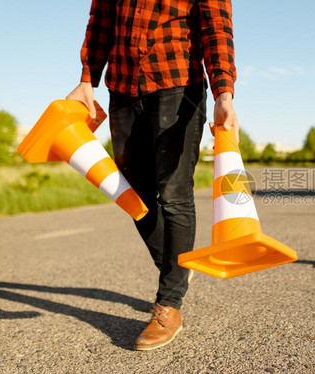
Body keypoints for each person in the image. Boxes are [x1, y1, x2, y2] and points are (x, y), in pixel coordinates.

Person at [66, 0, 238, 351]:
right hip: (123, 88)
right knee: (133, 194)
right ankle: (178, 264)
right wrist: (87, 78)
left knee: (173, 194)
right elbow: (100, 20)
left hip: (178, 85)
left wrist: (223, 92)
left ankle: (169, 305)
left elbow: (215, 28)